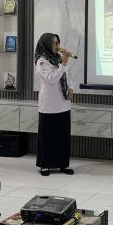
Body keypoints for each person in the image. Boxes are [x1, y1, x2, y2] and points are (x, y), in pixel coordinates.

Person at [35, 33, 75, 176]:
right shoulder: (42, 62)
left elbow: (67, 75)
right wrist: (63, 64)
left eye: (58, 42)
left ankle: (62, 164)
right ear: (46, 44)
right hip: (49, 104)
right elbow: (51, 79)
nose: (57, 46)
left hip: (63, 103)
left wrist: (71, 88)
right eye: (53, 43)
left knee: (62, 136)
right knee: (48, 136)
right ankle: (44, 165)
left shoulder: (58, 58)